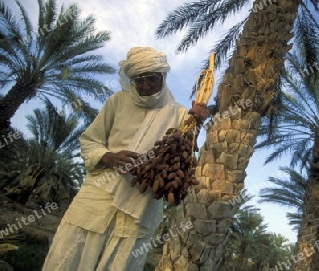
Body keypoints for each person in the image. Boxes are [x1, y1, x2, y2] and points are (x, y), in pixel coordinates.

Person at [42, 47, 209, 270]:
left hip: (140, 206)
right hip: (97, 198)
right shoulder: (117, 101)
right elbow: (89, 140)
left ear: (163, 77)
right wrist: (108, 157)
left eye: (152, 79)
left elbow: (186, 152)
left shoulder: (179, 114)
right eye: (139, 80)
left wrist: (200, 120)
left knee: (121, 262)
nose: (145, 86)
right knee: (67, 258)